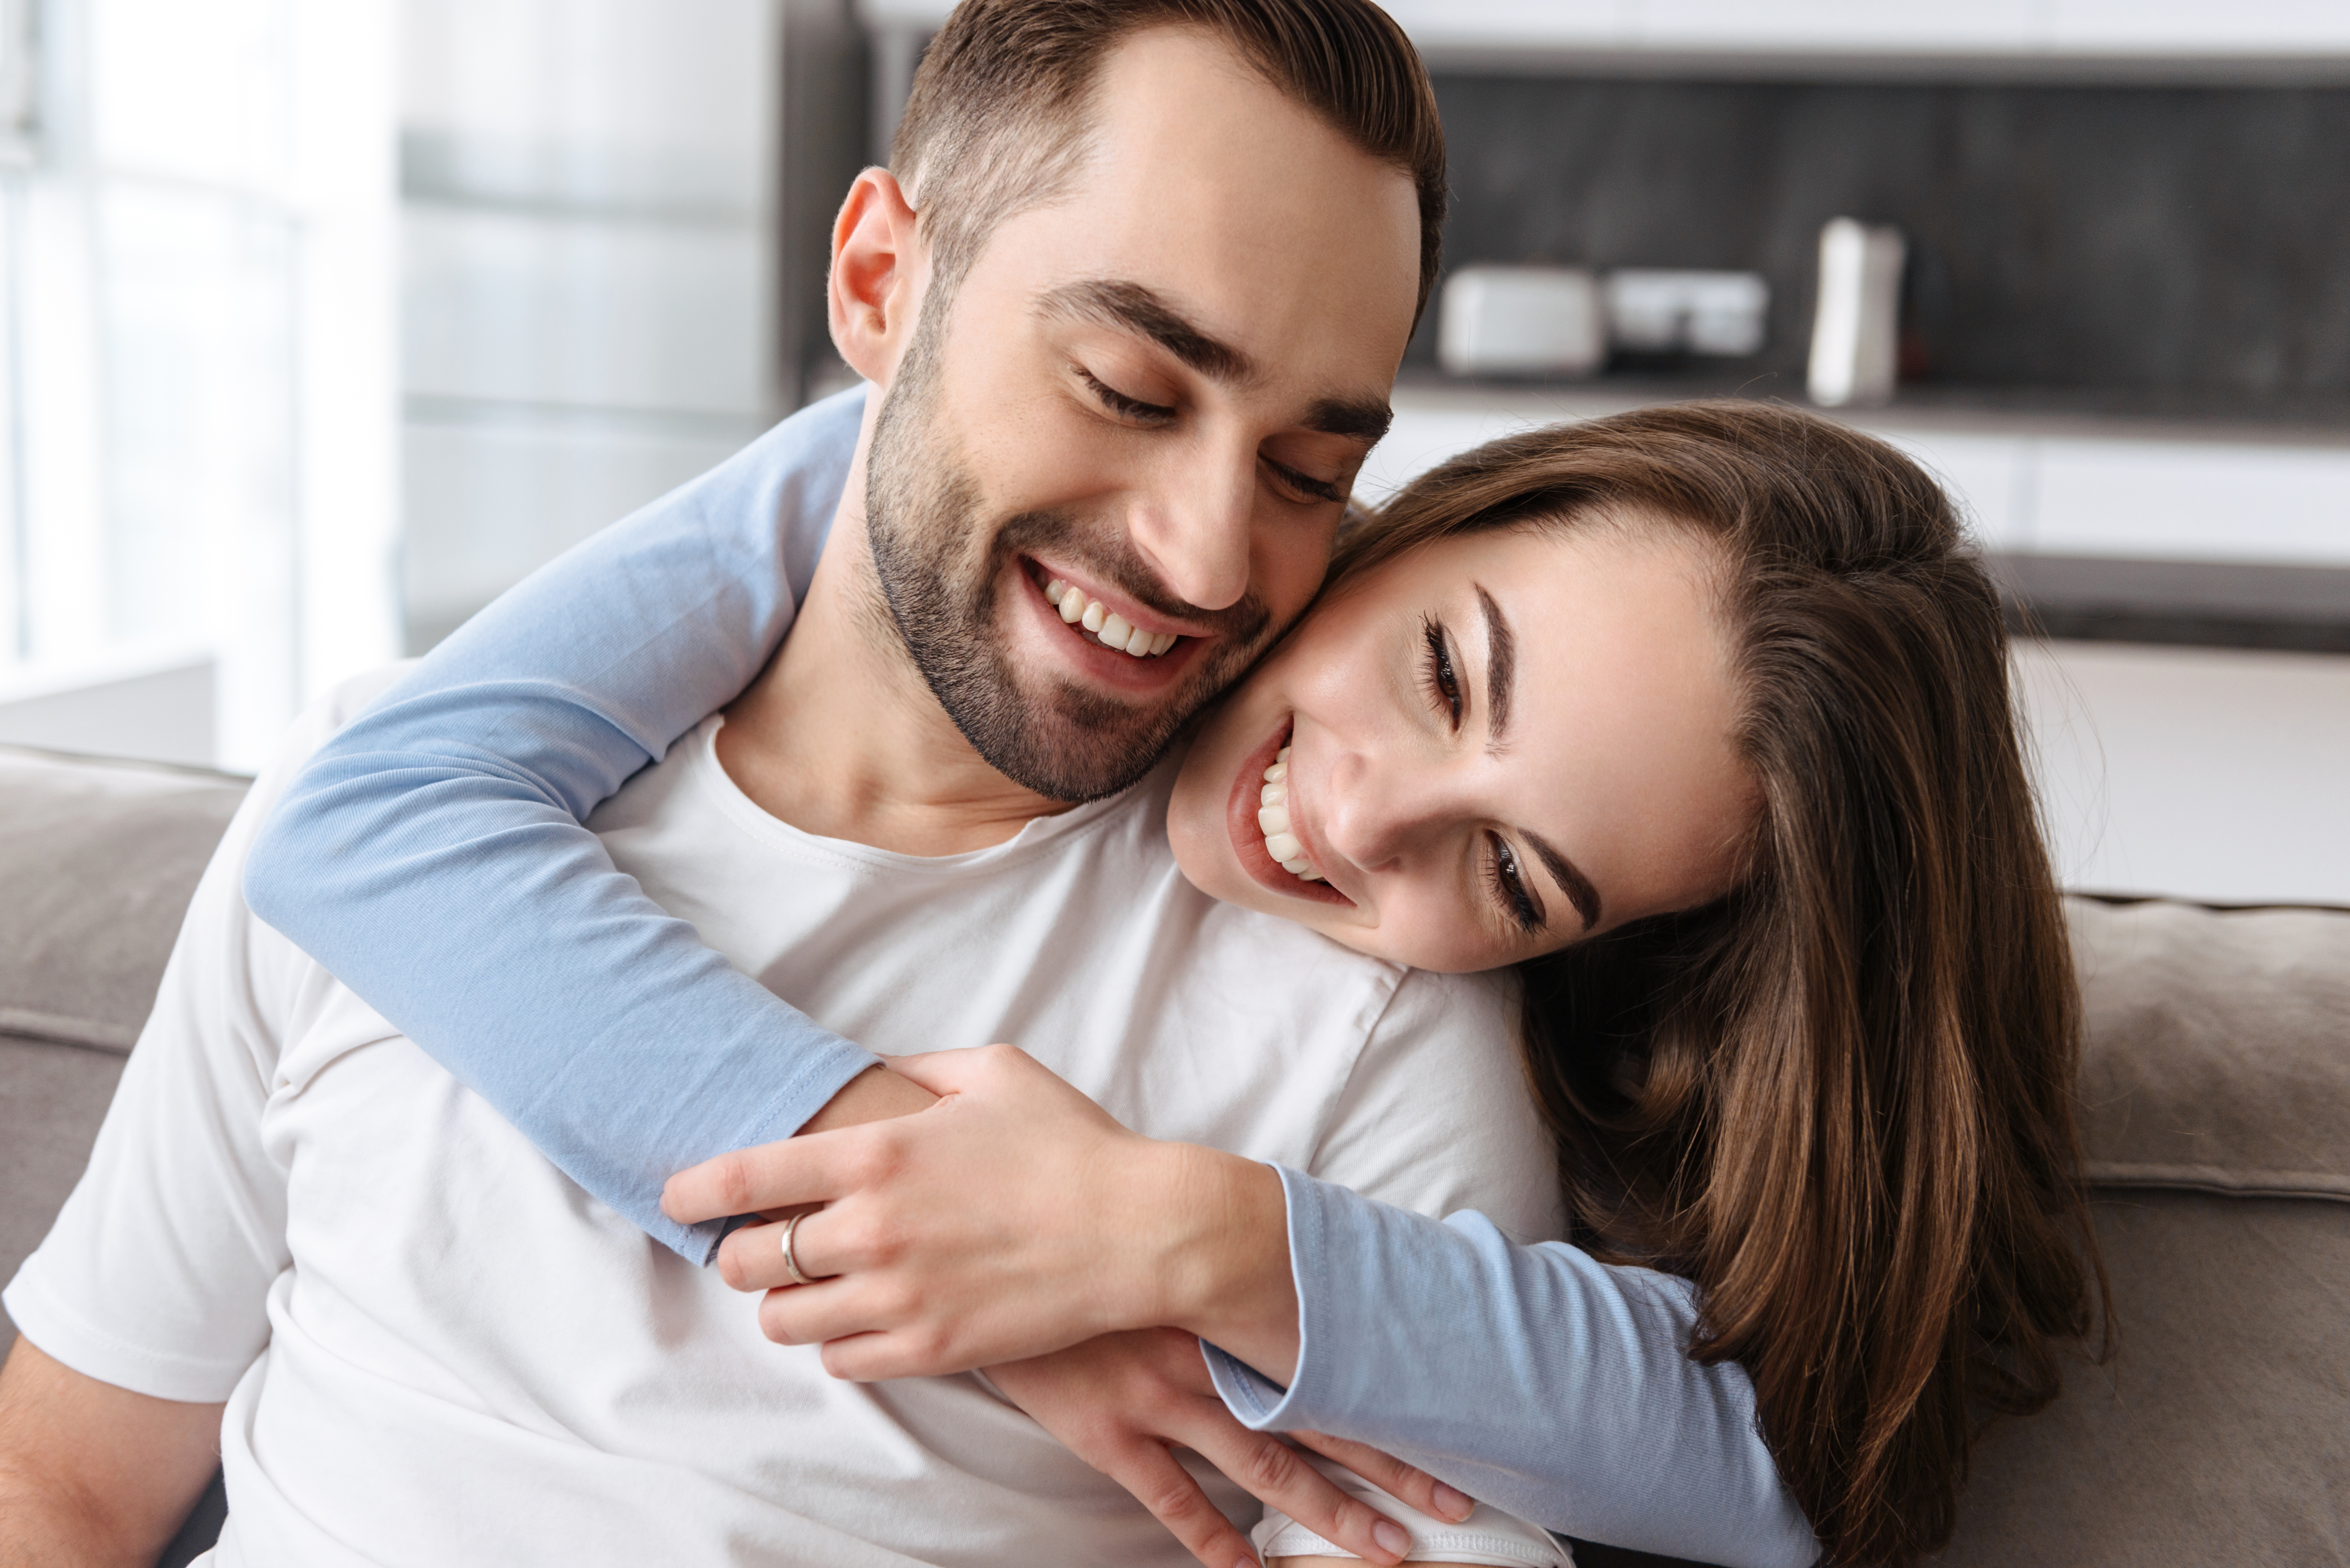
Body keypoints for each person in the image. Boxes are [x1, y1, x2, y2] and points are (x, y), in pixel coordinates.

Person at [0, 6, 1795, 1566]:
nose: (1203, 553)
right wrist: (911, 1197)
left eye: (1312, 469)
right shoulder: (384, 812)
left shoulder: (1363, 1022)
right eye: (1127, 383)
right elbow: (61, 1493)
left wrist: (1170, 1238)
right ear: (879, 282)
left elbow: (1698, 1472)